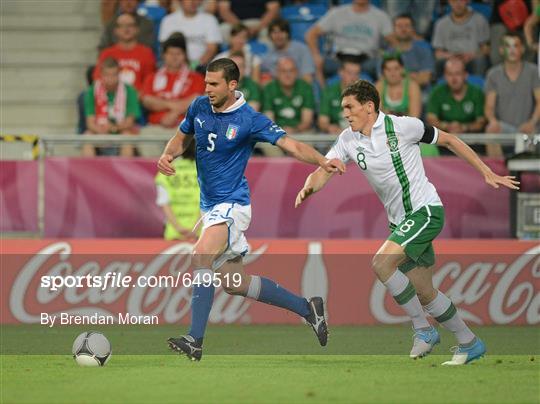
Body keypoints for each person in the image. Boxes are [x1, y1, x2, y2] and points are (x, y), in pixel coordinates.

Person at [295, 80, 519, 365]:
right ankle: (469, 342)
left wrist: (486, 171)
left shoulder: (403, 127)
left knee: (381, 263)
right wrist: (309, 187)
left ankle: (423, 330)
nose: (346, 113)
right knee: (425, 293)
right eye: (343, 109)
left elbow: (449, 139)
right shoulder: (348, 140)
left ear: (369, 106)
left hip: (425, 211)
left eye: (350, 107)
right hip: (400, 222)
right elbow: (323, 170)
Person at [157, 58, 345, 361]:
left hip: (233, 205)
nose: (208, 89)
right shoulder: (199, 107)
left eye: (214, 84)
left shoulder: (248, 119)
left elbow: (291, 145)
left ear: (232, 85)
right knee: (234, 283)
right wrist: (168, 155)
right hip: (212, 208)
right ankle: (307, 308)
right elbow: (181, 138)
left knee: (200, 255)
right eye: (206, 82)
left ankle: (195, 339)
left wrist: (323, 161)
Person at [305, 0, 393, 85]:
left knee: (385, 65)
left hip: (367, 61)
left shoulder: (381, 16)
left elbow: (394, 41)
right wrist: (315, 55)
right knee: (315, 64)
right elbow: (310, 34)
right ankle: (324, 97)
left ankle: (380, 96)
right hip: (339, 60)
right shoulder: (337, 13)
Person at [485, 33, 540, 157]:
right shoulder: (493, 74)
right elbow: (489, 106)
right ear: (501, 50)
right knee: (491, 130)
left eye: (516, 46)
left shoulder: (533, 71)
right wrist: (493, 121)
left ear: (522, 49)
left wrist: (532, 122)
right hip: (506, 128)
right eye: (508, 46)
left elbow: (539, 101)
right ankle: (496, 174)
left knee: (531, 132)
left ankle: (528, 174)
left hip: (530, 126)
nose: (512, 50)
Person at [142, 34, 205, 128]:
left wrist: (173, 114)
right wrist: (173, 105)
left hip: (186, 128)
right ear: (164, 55)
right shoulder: (152, 77)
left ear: (185, 56)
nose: (174, 57)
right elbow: (148, 101)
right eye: (171, 53)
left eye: (178, 54)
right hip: (155, 126)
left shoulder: (196, 78)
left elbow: (195, 103)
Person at [83, 57, 141, 157]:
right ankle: (89, 172)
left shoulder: (129, 91)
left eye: (114, 75)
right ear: (101, 75)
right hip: (99, 131)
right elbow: (90, 122)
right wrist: (100, 130)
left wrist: (113, 128)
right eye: (107, 75)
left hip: (120, 131)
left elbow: (129, 122)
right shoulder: (92, 91)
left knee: (127, 136)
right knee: (88, 136)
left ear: (119, 75)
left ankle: (124, 171)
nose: (110, 79)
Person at [427, 57, 486, 154]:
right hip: (444, 141)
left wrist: (463, 127)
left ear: (465, 75)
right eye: (450, 74)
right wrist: (447, 126)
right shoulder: (437, 93)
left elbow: (481, 122)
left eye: (457, 74)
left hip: (472, 142)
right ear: (445, 76)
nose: (454, 79)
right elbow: (431, 119)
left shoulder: (476, 93)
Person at [95, 13, 156, 94]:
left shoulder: (146, 53)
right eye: (122, 26)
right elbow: (98, 78)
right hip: (111, 96)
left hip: (137, 98)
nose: (126, 29)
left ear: (137, 29)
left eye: (130, 25)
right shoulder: (107, 53)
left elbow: (150, 81)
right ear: (115, 31)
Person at [155, 138, 199, 241]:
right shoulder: (204, 170)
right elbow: (208, 202)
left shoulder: (166, 169)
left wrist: (178, 228)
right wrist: (195, 229)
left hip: (173, 232)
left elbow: (164, 202)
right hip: (199, 232)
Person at [432, 0, 490, 77]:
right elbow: (438, 53)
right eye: (454, 1)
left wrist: (472, 55)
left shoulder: (480, 20)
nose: (458, 4)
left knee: (480, 61)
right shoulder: (441, 24)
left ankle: (478, 86)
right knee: (439, 63)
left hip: (471, 59)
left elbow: (486, 49)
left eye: (461, 0)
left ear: (467, 1)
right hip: (450, 59)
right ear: (449, 2)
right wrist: (451, 57)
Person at [158, 0, 222, 70]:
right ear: (180, 1)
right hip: (175, 66)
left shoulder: (210, 20)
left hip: (200, 67)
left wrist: (194, 66)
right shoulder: (168, 20)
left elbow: (211, 49)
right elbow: (165, 48)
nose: (193, 2)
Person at [262, 57, 315, 134]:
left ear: (296, 72)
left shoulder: (305, 87)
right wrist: (281, 131)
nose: (287, 75)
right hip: (276, 133)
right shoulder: (269, 89)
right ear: (277, 73)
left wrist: (294, 130)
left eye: (291, 71)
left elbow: (307, 121)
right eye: (283, 71)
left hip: (301, 132)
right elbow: (269, 120)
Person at [387, 14, 435, 89]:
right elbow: (385, 80)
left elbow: (425, 79)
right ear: (393, 30)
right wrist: (414, 76)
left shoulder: (424, 49)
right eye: (399, 26)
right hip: (394, 92)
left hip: (421, 92)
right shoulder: (387, 54)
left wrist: (400, 75)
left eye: (407, 26)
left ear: (413, 29)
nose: (403, 29)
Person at [261, 18, 315, 83]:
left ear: (288, 34)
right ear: (270, 35)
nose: (278, 36)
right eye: (274, 32)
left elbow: (308, 78)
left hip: (300, 88)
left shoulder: (301, 49)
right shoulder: (268, 55)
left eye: (282, 32)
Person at [318, 56, 362, 134]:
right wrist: (329, 127)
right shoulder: (329, 92)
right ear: (341, 72)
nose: (353, 77)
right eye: (350, 73)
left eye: (356, 73)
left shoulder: (365, 94)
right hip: (335, 136)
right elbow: (322, 121)